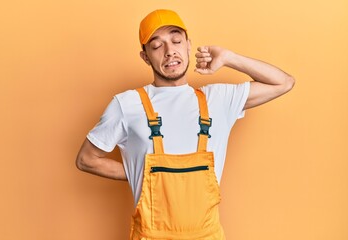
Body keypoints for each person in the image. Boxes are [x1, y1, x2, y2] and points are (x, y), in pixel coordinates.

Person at [76, 9, 295, 240]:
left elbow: (283, 82)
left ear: (189, 45)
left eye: (176, 40)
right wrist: (137, 170)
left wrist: (229, 57)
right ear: (145, 57)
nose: (170, 51)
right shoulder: (127, 104)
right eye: (157, 45)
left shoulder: (217, 100)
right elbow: (86, 159)